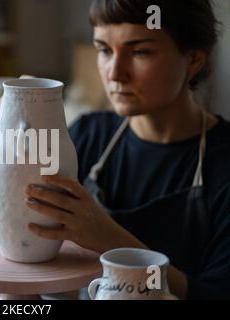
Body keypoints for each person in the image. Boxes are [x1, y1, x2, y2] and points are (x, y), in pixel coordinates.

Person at [24, 0, 230, 299]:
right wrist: (21, 128)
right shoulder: (87, 135)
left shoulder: (223, 164)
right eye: (104, 50)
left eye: (140, 51)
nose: (115, 73)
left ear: (194, 59)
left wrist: (112, 241)